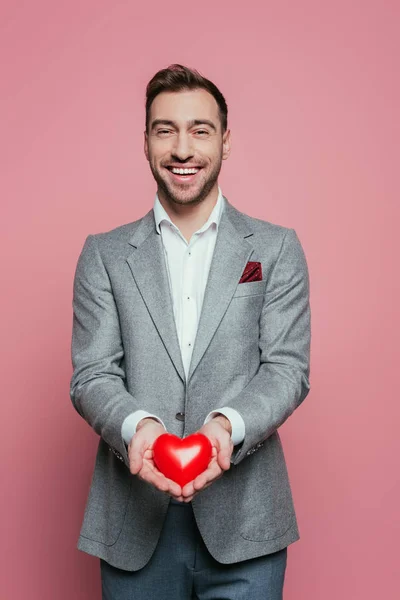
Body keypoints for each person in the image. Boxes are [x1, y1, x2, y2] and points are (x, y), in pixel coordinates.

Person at [70, 63, 311, 600]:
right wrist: (141, 430)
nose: (183, 148)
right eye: (166, 130)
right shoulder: (104, 255)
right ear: (147, 143)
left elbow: (288, 369)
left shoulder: (274, 249)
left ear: (225, 142)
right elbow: (91, 375)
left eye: (200, 130)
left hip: (248, 528)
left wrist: (226, 428)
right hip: (134, 526)